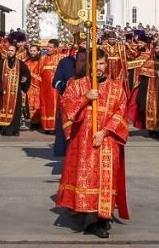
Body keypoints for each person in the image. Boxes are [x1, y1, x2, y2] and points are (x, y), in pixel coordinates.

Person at [56, 49, 130, 239]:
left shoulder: (116, 87)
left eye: (102, 64)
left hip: (107, 142)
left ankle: (101, 220)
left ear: (107, 64)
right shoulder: (77, 85)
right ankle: (86, 216)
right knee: (86, 178)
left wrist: (104, 133)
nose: (99, 68)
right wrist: (86, 98)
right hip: (82, 143)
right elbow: (66, 108)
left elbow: (121, 112)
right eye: (95, 64)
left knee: (104, 180)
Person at [0, 43, 32, 137]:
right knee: (3, 110)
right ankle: (4, 129)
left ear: (15, 52)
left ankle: (14, 130)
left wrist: (24, 78)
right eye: (9, 50)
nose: (10, 52)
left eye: (12, 50)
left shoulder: (20, 63)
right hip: (4, 92)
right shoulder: (2, 62)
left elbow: (26, 74)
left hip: (15, 92)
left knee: (15, 111)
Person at [52, 47, 83, 157]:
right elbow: (56, 81)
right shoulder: (65, 62)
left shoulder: (90, 61)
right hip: (68, 101)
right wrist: (64, 87)